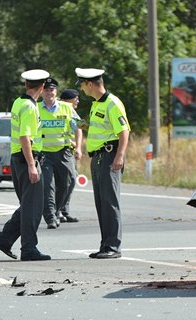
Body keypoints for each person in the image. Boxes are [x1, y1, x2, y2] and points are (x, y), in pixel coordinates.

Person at [0, 69, 51, 261]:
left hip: (18, 158)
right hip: (27, 159)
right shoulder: (29, 107)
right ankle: (29, 248)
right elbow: (25, 136)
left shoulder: (19, 102)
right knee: (33, 208)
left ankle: (4, 239)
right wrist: (32, 165)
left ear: (26, 85)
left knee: (27, 205)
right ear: (42, 87)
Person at [76, 67, 130, 259]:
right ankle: (105, 244)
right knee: (101, 203)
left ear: (90, 84)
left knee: (110, 202)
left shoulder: (112, 103)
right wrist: (86, 126)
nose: (81, 89)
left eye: (82, 84)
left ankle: (113, 246)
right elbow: (102, 128)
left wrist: (120, 156)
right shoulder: (96, 104)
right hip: (98, 157)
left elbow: (124, 131)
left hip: (109, 156)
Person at [38, 78, 82, 229]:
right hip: (44, 154)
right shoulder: (36, 108)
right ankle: (50, 217)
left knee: (67, 182)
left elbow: (78, 129)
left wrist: (79, 148)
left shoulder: (67, 108)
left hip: (63, 153)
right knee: (48, 186)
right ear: (42, 91)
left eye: (52, 90)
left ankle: (56, 211)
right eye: (46, 90)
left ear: (56, 92)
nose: (49, 92)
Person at [57, 88, 82, 223]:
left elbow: (80, 127)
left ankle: (64, 211)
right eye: (75, 98)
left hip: (69, 151)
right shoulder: (59, 109)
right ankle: (57, 210)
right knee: (64, 181)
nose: (78, 100)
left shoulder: (72, 111)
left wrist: (78, 146)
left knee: (71, 180)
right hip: (57, 151)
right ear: (67, 100)